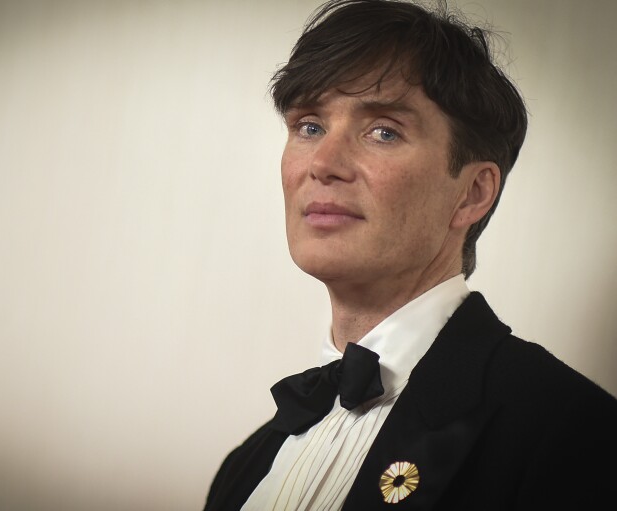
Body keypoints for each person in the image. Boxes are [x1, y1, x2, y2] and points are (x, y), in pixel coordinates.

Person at [204, 0, 617, 509]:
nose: (324, 163)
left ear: (471, 194)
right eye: (309, 125)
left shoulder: (576, 434)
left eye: (384, 131)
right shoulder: (243, 467)